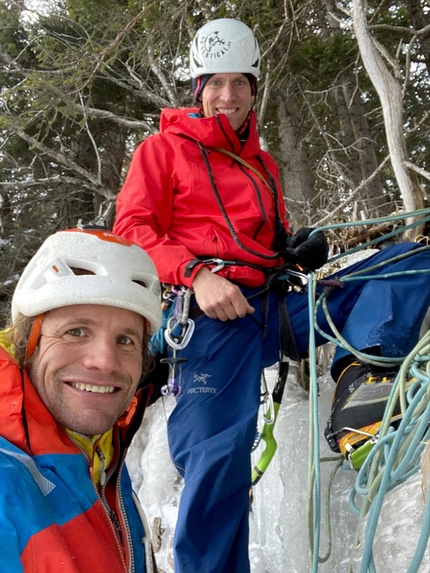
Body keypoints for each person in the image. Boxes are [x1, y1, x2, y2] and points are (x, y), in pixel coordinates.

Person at [113, 18, 430, 573]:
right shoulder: (162, 151)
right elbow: (133, 231)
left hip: (273, 306)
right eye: (215, 83)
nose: (227, 96)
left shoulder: (263, 165)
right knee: (218, 459)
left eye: (239, 83)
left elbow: (266, 242)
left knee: (408, 263)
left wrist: (292, 251)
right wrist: (196, 276)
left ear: (254, 89)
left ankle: (361, 384)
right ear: (198, 88)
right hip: (212, 317)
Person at [0, 225, 162, 573]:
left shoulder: (102, 453)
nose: (104, 360)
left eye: (125, 340)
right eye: (76, 331)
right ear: (28, 344)